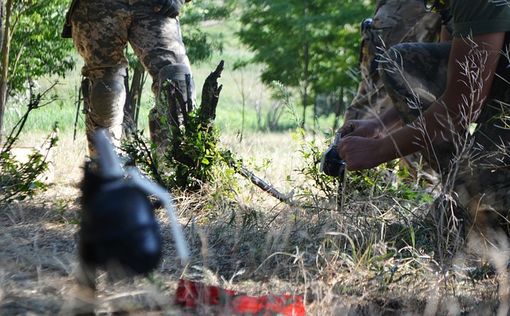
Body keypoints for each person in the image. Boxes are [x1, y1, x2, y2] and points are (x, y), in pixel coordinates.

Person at [338, 0, 510, 240]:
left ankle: (488, 211)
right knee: (403, 62)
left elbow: (460, 109)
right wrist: (380, 126)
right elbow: (440, 87)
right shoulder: (448, 5)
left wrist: (379, 150)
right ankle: (472, 200)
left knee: (483, 220)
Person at [62, 0, 194, 157]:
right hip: (99, 6)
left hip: (154, 6)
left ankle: (173, 171)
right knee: (105, 93)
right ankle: (106, 173)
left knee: (176, 83)